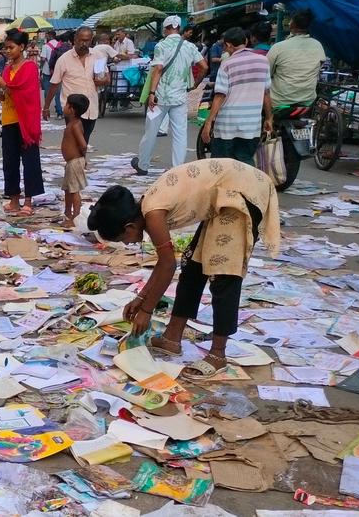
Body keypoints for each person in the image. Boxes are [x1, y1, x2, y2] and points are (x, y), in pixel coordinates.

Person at [88, 158, 280, 378]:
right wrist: (140, 299)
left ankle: (218, 354)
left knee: (223, 273)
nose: (127, 244)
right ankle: (172, 337)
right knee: (192, 267)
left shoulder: (153, 214)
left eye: (124, 239)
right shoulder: (146, 210)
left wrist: (146, 310)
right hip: (224, 196)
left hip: (241, 192)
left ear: (129, 226)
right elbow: (164, 263)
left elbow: (168, 265)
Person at [132, 15, 207, 175]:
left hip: (160, 97)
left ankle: (143, 165)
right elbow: (204, 66)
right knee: (180, 134)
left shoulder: (161, 46)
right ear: (179, 28)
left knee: (151, 131)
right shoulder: (190, 46)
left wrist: (151, 93)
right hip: (180, 97)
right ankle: (177, 169)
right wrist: (195, 84)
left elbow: (158, 69)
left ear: (166, 29)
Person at [202, 27, 273, 166]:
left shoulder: (227, 63)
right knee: (245, 162)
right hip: (251, 124)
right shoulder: (263, 61)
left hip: (227, 124)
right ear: (245, 41)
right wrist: (269, 117)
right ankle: (246, 187)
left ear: (228, 45)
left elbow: (220, 96)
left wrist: (209, 122)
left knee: (221, 165)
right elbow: (266, 93)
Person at [0, 29, 44, 216]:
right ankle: (14, 199)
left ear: (21, 47)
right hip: (8, 120)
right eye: (5, 48)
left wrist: (5, 87)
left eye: (11, 47)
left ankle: (28, 201)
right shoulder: (7, 69)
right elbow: (7, 94)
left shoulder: (30, 67)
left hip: (25, 122)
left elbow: (25, 92)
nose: (7, 51)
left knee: (29, 161)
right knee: (10, 162)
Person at [43, 26, 108, 141]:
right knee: (75, 143)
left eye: (87, 40)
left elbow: (107, 78)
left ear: (91, 40)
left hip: (91, 108)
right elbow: (54, 84)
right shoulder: (64, 59)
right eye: (81, 40)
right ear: (75, 39)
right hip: (73, 110)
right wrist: (46, 107)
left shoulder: (98, 56)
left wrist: (103, 81)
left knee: (84, 141)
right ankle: (78, 158)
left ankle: (80, 158)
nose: (84, 43)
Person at [267, 9, 326, 108]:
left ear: (292, 24)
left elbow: (267, 73)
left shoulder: (279, 47)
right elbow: (319, 66)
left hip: (279, 102)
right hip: (307, 101)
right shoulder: (317, 45)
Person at [61, 93, 89, 228]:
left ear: (71, 109)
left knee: (74, 190)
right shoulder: (72, 123)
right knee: (67, 189)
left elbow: (82, 144)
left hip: (75, 161)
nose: (64, 107)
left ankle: (75, 217)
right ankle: (68, 213)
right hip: (70, 163)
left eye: (66, 104)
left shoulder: (75, 125)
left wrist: (84, 156)